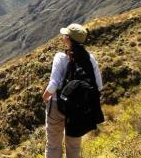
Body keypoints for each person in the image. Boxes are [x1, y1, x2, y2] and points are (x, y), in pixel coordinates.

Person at [42, 23, 103, 158]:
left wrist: (45, 98)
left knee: (53, 145)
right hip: (78, 109)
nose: (63, 37)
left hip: (58, 105)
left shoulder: (60, 57)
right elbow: (99, 86)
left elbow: (53, 84)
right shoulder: (90, 58)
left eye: (65, 35)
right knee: (74, 147)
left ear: (69, 39)